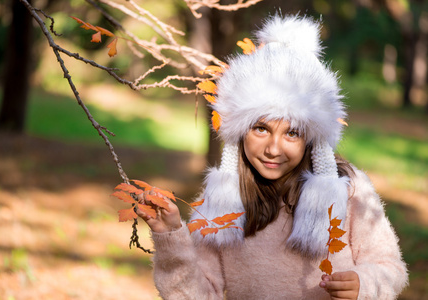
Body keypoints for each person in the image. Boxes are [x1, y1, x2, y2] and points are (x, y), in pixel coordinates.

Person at [138, 14, 408, 300]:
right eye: (261, 128)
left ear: (311, 138)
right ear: (240, 130)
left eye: (292, 133)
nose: (274, 149)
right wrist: (171, 241)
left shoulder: (349, 188)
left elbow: (390, 267)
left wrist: (364, 284)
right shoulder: (220, 204)